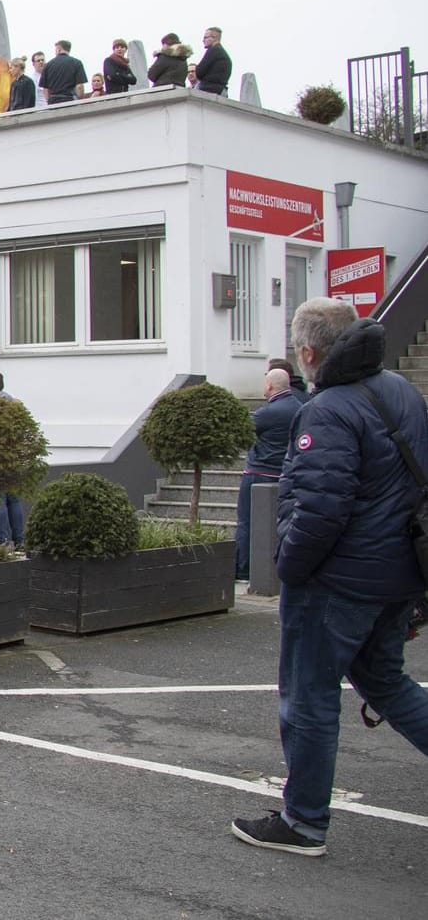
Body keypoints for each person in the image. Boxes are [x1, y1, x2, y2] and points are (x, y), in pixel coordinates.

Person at [231, 298, 428, 857]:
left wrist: (287, 567)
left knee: (310, 696)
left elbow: (320, 512)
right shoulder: (400, 392)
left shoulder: (328, 410)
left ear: (309, 351)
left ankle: (303, 823)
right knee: (388, 683)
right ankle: (304, 818)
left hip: (337, 583)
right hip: (398, 574)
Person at [234, 367, 302, 580]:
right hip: (284, 474)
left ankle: (243, 569)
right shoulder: (301, 408)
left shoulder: (266, 413)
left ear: (270, 386)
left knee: (246, 522)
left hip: (258, 473)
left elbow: (242, 434)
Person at [0, 370, 26, 550]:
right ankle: (20, 541)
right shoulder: (15, 404)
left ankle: (3, 542)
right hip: (14, 460)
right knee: (14, 500)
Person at [197, 26, 233, 96]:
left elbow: (199, 72)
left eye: (205, 37)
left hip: (210, 91)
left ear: (214, 37)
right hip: (220, 90)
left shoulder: (214, 50)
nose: (203, 40)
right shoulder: (222, 53)